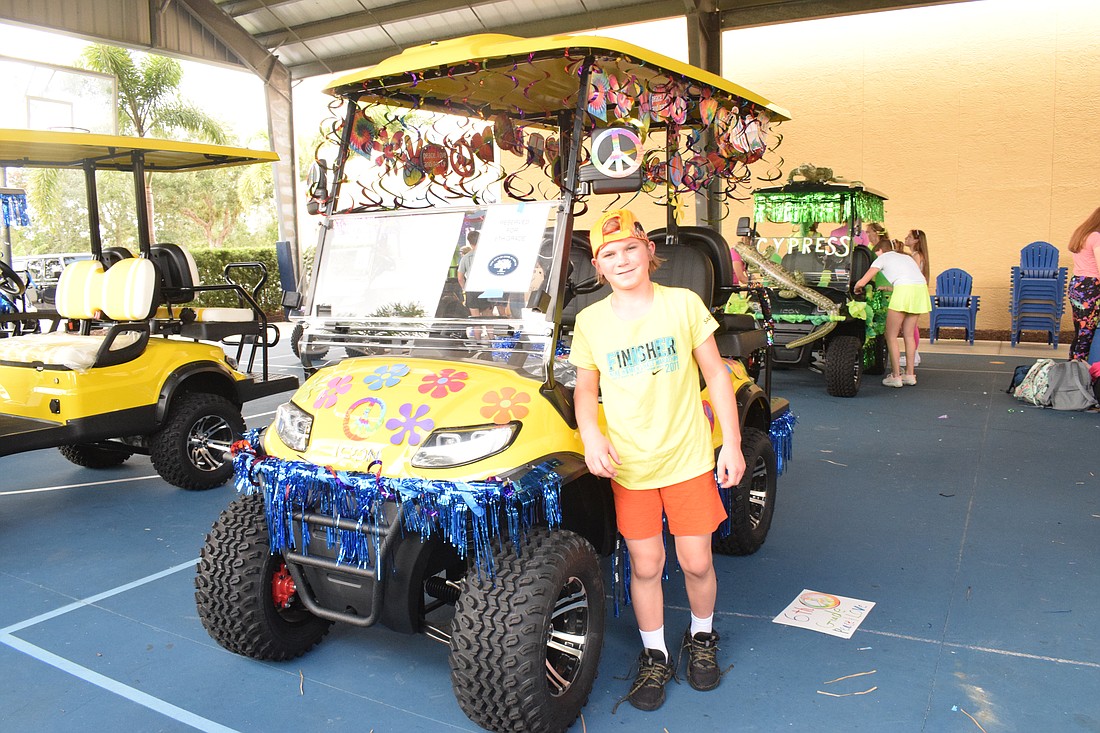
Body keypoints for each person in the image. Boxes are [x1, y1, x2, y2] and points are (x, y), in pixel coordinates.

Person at [570, 209, 745, 712]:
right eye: (609, 254)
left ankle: (703, 637)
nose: (621, 259)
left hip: (688, 460)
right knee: (646, 565)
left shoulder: (683, 305)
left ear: (649, 251)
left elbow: (715, 374)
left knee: (696, 560)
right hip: (631, 468)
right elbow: (586, 390)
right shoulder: (590, 322)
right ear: (598, 268)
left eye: (630, 247)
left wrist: (729, 443)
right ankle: (655, 652)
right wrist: (591, 439)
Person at [852, 235, 931, 387]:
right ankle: (910, 374)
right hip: (920, 290)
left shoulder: (882, 258)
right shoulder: (904, 257)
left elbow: (864, 280)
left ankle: (896, 376)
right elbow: (909, 278)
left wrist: (857, 287)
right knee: (908, 334)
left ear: (880, 250)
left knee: (891, 335)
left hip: (904, 292)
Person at [1067, 207, 1100, 362]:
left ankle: (1071, 366)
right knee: (1087, 333)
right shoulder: (1096, 237)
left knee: (1079, 331)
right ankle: (1079, 370)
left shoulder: (1081, 234)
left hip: (1077, 284)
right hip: (1091, 287)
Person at [901, 229, 931, 367]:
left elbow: (911, 274)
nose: (906, 238)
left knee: (910, 325)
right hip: (915, 291)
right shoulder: (916, 255)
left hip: (912, 291)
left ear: (916, 240)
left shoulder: (916, 256)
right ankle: (914, 354)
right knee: (911, 325)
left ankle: (913, 354)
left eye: (909, 237)